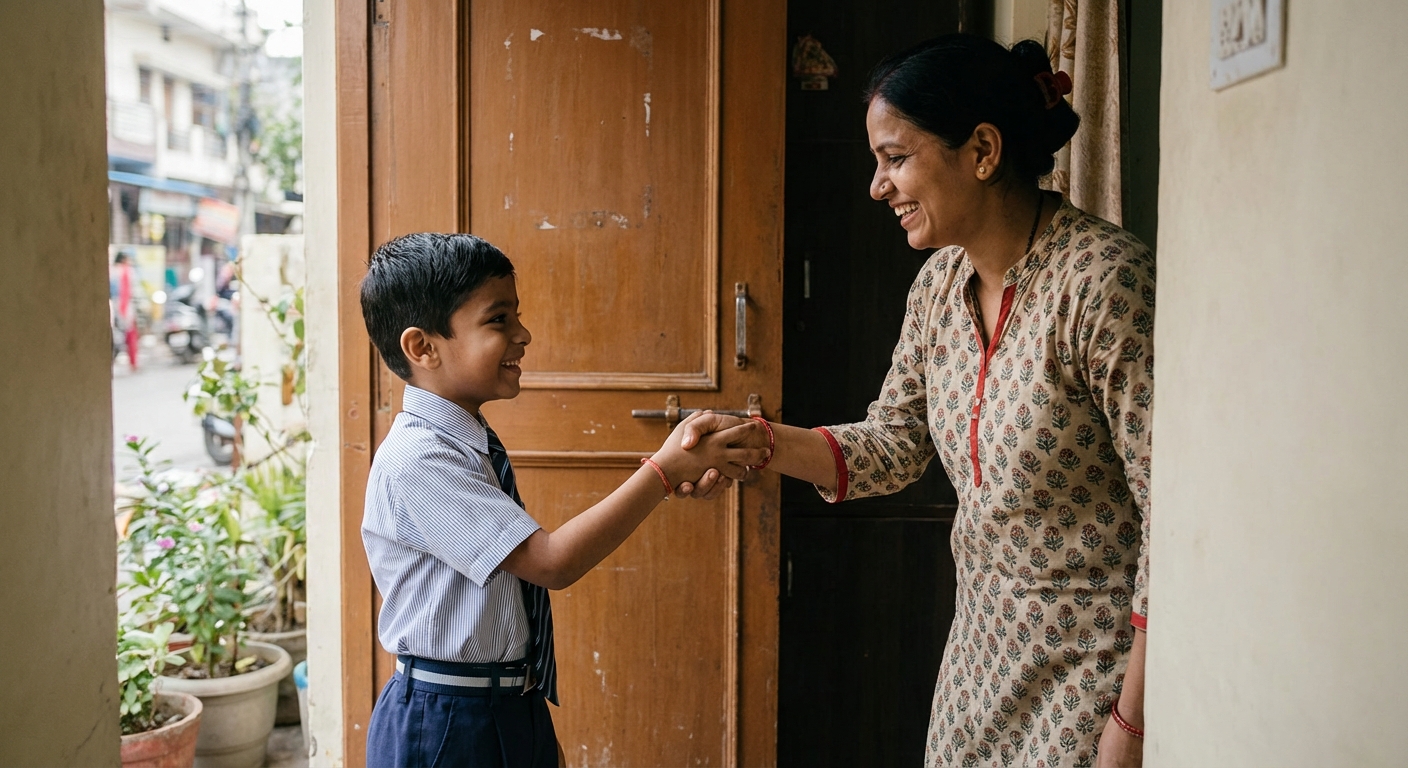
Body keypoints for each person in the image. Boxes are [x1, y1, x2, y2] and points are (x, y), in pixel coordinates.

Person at [677, 34, 1154, 768]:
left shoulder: (1104, 283)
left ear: (983, 151)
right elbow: (893, 446)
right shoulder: (938, 287)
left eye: (895, 158)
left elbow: (1171, 512)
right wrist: (756, 442)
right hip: (978, 659)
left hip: (1094, 671)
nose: (878, 186)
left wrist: (1132, 717)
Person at [358, 233, 766, 767]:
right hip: (447, 722)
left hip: (504, 700)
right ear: (423, 347)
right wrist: (664, 472)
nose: (523, 334)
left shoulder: (463, 441)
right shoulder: (419, 459)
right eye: (498, 319)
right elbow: (551, 562)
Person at [112, 252, 139, 370]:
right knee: (130, 335)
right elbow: (126, 292)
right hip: (124, 306)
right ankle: (133, 363)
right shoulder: (126, 271)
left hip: (115, 306)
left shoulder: (112, 270)